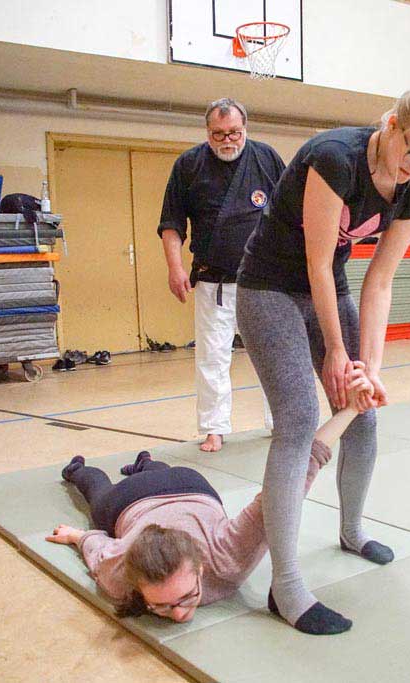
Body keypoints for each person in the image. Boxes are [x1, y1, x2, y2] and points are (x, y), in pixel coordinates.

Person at [235, 82, 410, 635]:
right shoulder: (335, 158)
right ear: (389, 125)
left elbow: (379, 282)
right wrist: (337, 352)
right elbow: (313, 265)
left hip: (328, 293)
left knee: (364, 412)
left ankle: (351, 530)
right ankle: (284, 586)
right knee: (297, 422)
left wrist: (370, 369)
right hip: (268, 290)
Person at [46, 363, 375, 622]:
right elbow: (98, 546)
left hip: (172, 490)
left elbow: (299, 470)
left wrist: (352, 409)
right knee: (98, 491)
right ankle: (85, 470)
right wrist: (77, 536)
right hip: (157, 493)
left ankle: (144, 465)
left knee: (108, 495)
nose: (177, 613)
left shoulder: (228, 555)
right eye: (159, 606)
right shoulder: (122, 579)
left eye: (186, 597)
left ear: (201, 567)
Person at [158, 98, 285, 452]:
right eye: (218, 134)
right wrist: (175, 266)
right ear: (207, 132)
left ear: (246, 129)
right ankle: (215, 428)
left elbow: (291, 214)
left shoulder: (266, 158)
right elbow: (171, 222)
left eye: (234, 133)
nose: (227, 141)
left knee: (273, 354)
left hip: (265, 281)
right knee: (212, 356)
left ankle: (281, 421)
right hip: (213, 280)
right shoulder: (189, 165)